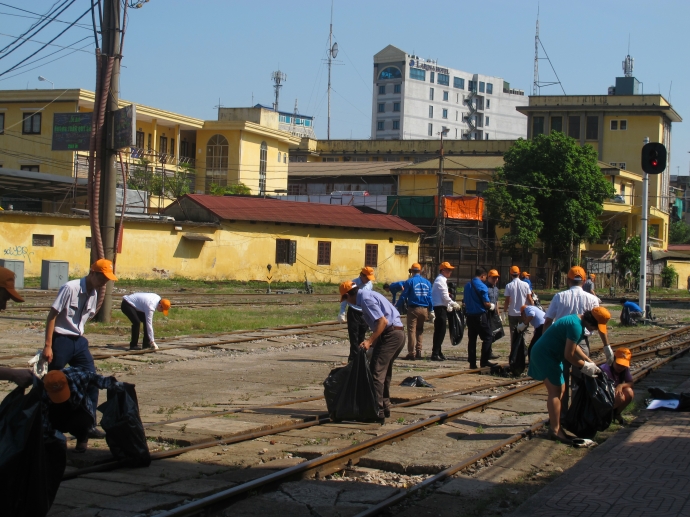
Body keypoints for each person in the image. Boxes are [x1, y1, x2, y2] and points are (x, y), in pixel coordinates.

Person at [42, 259, 117, 439]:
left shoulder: (94, 293)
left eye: (107, 280)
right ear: (92, 273)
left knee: (92, 379)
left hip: (79, 341)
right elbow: (52, 316)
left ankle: (87, 425)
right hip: (61, 340)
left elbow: (83, 319)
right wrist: (48, 346)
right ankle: (47, 424)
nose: (104, 283)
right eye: (102, 278)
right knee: (53, 383)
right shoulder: (70, 288)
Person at [528, 307, 611, 444]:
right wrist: (584, 366)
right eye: (596, 327)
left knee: (560, 389)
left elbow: (575, 346)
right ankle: (555, 430)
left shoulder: (576, 321)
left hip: (552, 355)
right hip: (546, 356)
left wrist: (590, 362)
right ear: (592, 322)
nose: (595, 330)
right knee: (555, 392)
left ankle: (557, 424)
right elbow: (569, 355)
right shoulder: (576, 327)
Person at [544, 266, 613, 416]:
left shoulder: (559, 296)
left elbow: (548, 321)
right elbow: (600, 325)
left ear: (568, 280)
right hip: (581, 344)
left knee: (560, 382)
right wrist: (607, 346)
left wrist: (545, 341)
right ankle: (576, 414)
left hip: (559, 343)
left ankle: (561, 416)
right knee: (580, 381)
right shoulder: (593, 299)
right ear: (583, 281)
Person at [339, 280, 405, 423]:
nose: (347, 302)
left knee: (376, 372)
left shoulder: (366, 300)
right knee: (384, 372)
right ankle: (385, 406)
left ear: (349, 295)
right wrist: (373, 343)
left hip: (391, 335)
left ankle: (376, 410)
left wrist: (369, 341)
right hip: (395, 334)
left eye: (345, 299)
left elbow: (382, 322)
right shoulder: (369, 295)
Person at [42, 367, 119, 452]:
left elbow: (98, 379)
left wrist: (117, 385)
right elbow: (43, 418)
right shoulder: (41, 391)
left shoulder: (77, 375)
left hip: (78, 410)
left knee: (82, 422)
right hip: (56, 415)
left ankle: (82, 440)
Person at [396, 263, 433, 361]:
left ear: (412, 271)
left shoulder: (410, 281)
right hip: (424, 309)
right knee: (420, 330)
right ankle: (419, 350)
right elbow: (430, 297)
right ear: (420, 271)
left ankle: (411, 353)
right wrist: (431, 310)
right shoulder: (427, 283)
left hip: (413, 309)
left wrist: (396, 306)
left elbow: (404, 296)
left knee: (412, 331)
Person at [338, 267, 375, 362]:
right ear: (361, 275)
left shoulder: (369, 284)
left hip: (364, 313)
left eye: (370, 278)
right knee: (353, 336)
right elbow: (345, 298)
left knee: (361, 336)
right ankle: (354, 358)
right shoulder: (352, 284)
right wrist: (342, 312)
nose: (368, 280)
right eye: (367, 278)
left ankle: (358, 357)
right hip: (353, 312)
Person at [463, 268, 496, 369]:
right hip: (480, 316)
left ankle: (472, 363)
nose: (485, 279)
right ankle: (484, 361)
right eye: (485, 277)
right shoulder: (482, 286)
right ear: (482, 276)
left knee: (472, 340)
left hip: (470, 316)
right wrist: (491, 306)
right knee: (488, 337)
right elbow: (486, 303)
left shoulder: (467, 285)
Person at [431, 262, 460, 361]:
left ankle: (438, 351)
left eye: (450, 270)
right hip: (439, 308)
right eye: (448, 270)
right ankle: (435, 353)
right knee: (440, 331)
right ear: (442, 270)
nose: (450, 272)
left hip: (441, 307)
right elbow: (445, 296)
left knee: (440, 331)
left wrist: (448, 305)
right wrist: (453, 303)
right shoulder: (440, 280)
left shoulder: (442, 280)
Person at [599, 347, 634, 424]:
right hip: (604, 395)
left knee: (629, 392)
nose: (620, 367)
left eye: (623, 365)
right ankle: (604, 416)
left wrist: (621, 385)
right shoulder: (605, 370)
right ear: (613, 360)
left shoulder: (625, 369)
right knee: (619, 397)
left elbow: (631, 383)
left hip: (613, 393)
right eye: (618, 364)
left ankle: (616, 414)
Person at [503, 266, 533, 335]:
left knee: (513, 333)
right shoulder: (525, 285)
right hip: (523, 312)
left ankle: (514, 345)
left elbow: (507, 300)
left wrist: (504, 311)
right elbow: (529, 298)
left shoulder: (508, 286)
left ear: (510, 274)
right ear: (519, 274)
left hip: (512, 313)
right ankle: (523, 346)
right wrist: (533, 308)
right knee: (523, 333)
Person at [485, 269, 502, 360]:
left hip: (493, 313)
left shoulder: (496, 289)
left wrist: (498, 313)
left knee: (494, 332)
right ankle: (487, 352)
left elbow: (496, 302)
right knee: (488, 333)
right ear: (489, 277)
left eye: (497, 278)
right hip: (486, 312)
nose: (495, 280)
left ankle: (489, 351)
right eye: (494, 278)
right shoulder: (485, 288)